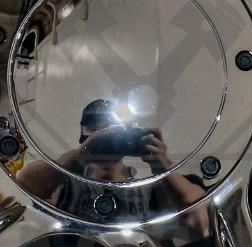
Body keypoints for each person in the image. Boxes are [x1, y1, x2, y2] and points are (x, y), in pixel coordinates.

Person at [16, 99, 209, 232]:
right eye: (95, 129)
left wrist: (163, 167)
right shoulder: (65, 181)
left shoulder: (147, 189)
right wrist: (82, 154)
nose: (105, 134)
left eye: (111, 128)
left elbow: (199, 222)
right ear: (83, 136)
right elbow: (25, 184)